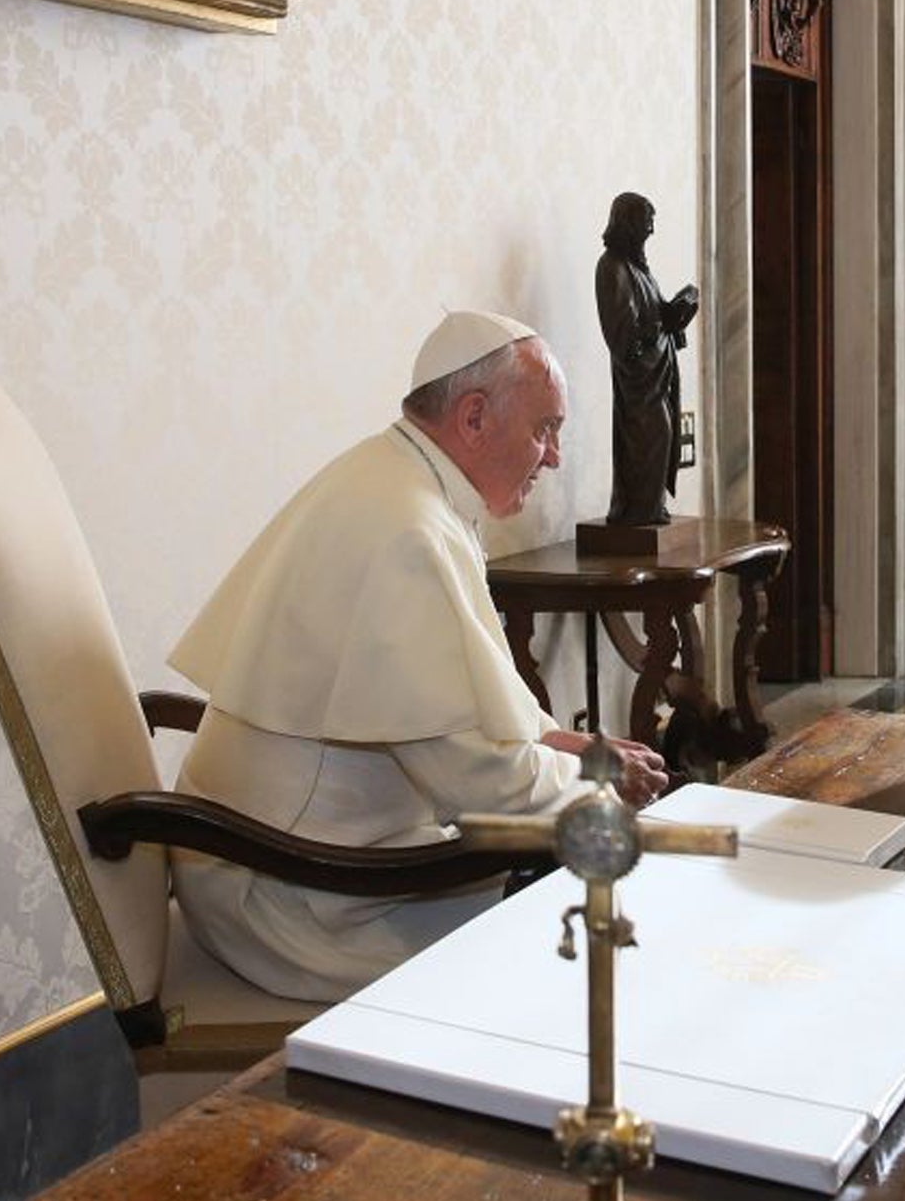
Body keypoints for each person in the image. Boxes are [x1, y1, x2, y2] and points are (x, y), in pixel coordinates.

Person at [166, 310, 670, 1000]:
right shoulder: (408, 529)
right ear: (473, 419)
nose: (552, 456)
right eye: (544, 429)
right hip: (300, 898)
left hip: (275, 858)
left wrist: (576, 748)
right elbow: (482, 786)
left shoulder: (396, 480)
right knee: (598, 932)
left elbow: (466, 706)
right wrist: (602, 788)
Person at [595, 192, 699, 526]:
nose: (651, 231)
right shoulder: (611, 267)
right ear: (628, 222)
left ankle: (650, 508)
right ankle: (638, 511)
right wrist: (662, 323)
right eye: (646, 222)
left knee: (663, 439)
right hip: (640, 383)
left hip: (658, 376)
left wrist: (676, 312)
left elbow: (652, 313)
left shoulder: (638, 269)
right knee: (652, 438)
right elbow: (623, 335)